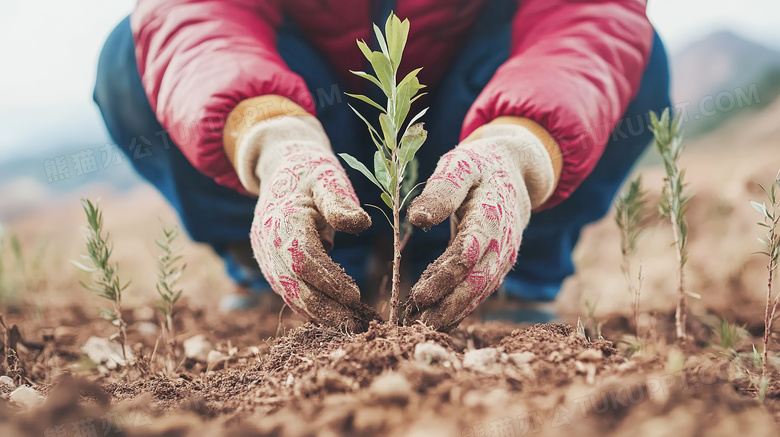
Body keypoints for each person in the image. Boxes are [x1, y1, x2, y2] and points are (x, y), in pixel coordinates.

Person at [94, 0, 670, 332]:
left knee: (638, 58)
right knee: (131, 58)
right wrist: (269, 134)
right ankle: (290, 264)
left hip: (468, 105)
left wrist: (520, 145)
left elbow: (587, 16)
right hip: (307, 97)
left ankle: (505, 266)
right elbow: (197, 13)